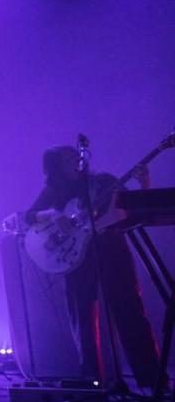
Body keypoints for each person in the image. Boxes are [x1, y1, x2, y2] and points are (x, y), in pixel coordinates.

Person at [25, 145, 165, 389]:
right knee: (82, 315)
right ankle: (91, 377)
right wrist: (53, 215)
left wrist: (145, 184)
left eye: (74, 156)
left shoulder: (103, 181)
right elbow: (30, 215)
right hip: (76, 256)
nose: (74, 161)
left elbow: (133, 207)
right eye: (66, 158)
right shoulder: (55, 189)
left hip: (110, 246)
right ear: (56, 165)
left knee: (129, 308)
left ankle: (152, 378)